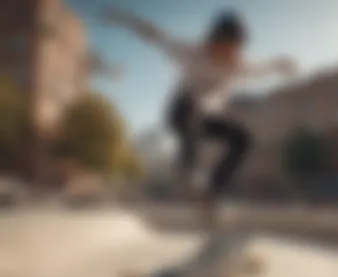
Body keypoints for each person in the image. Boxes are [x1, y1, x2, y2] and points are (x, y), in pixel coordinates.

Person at [103, 7, 298, 226]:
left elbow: (262, 68)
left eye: (232, 49)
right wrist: (121, 17)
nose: (226, 54)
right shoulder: (191, 52)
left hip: (204, 118)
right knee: (192, 109)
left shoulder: (238, 65)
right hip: (179, 111)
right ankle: (187, 170)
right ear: (212, 42)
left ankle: (212, 193)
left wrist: (281, 64)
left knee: (243, 139)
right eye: (221, 47)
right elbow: (155, 35)